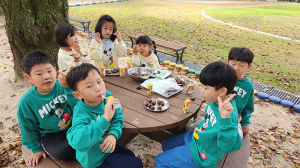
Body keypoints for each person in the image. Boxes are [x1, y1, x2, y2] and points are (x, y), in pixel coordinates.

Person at [155, 61, 242, 168]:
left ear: (222, 91)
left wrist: (225, 119)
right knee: (166, 143)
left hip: (205, 154)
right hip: (198, 137)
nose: (202, 91)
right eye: (202, 86)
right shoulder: (214, 101)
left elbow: (229, 146)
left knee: (160, 161)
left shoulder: (227, 116)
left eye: (206, 88)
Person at [66, 63, 143, 168]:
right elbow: (76, 142)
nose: (98, 88)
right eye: (89, 86)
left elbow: (118, 118)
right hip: (93, 160)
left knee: (131, 156)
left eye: (99, 81)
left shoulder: (108, 96)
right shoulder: (81, 113)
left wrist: (113, 134)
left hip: (107, 148)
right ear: (78, 95)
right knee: (136, 164)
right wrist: (105, 118)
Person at [17, 50, 78, 166]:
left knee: (95, 124)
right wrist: (36, 149)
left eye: (49, 71)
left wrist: (68, 89)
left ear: (55, 71)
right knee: (62, 152)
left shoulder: (64, 85)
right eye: (39, 74)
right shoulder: (27, 102)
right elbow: (27, 128)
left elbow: (80, 106)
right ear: (28, 78)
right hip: (51, 134)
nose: (46, 77)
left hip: (74, 125)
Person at [227, 47, 254, 139]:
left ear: (248, 67)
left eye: (242, 65)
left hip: (233, 118)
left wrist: (245, 123)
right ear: (228, 62)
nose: (236, 68)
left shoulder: (248, 86)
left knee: (237, 137)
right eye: (233, 64)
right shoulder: (222, 77)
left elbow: (248, 107)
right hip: (216, 112)